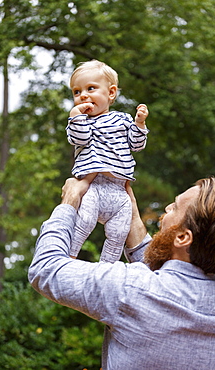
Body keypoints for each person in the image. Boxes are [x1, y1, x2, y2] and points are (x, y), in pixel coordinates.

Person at [28, 176, 215, 369]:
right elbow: (164, 288)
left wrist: (69, 202)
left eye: (175, 207)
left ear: (182, 238)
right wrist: (130, 215)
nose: (167, 208)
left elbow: (46, 268)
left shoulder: (130, 289)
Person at [66, 59, 149, 262]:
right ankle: (69, 257)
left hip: (119, 191)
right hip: (93, 187)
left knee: (119, 232)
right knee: (84, 221)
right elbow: (80, 138)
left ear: (111, 93)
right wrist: (75, 115)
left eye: (90, 88)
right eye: (77, 92)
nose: (83, 95)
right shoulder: (82, 122)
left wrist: (139, 123)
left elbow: (136, 144)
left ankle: (107, 268)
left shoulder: (123, 119)